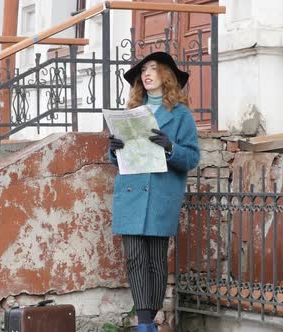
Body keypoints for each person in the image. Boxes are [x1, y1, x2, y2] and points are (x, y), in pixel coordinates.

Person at [108, 52, 200, 332]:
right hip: (132, 192)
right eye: (143, 70)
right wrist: (114, 151)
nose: (147, 74)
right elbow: (121, 159)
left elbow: (192, 158)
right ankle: (145, 324)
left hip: (161, 193)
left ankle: (150, 317)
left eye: (153, 69)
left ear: (166, 75)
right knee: (134, 258)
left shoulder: (181, 115)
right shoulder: (132, 112)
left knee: (156, 262)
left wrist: (169, 147)